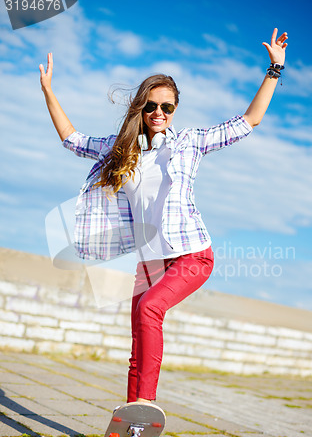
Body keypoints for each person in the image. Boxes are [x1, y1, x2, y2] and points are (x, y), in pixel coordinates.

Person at [40, 28, 288, 405]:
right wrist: (48, 92)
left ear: (174, 111)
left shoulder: (190, 142)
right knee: (139, 334)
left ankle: (145, 405)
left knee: (151, 308)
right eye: (152, 106)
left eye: (167, 107)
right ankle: (130, 422)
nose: (159, 113)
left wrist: (274, 69)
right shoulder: (120, 149)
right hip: (150, 260)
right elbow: (72, 139)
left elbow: (248, 121)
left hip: (192, 254)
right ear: (141, 107)